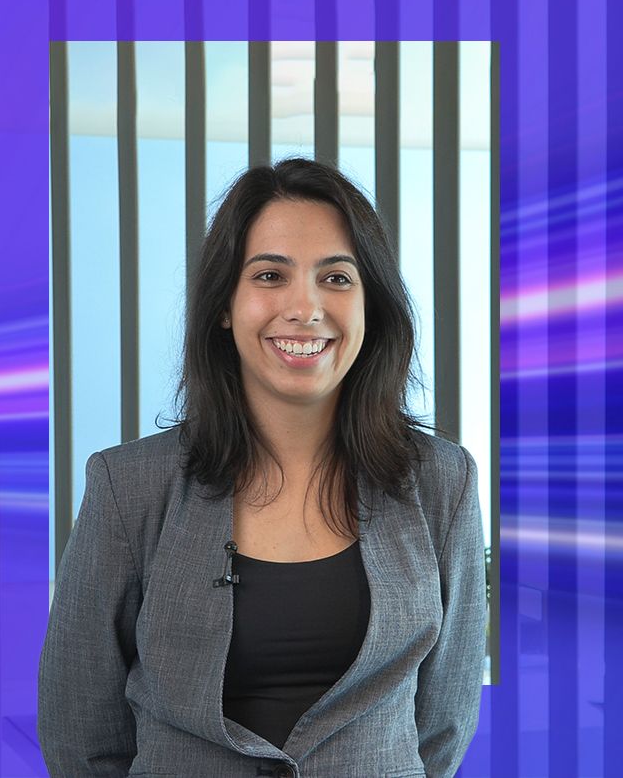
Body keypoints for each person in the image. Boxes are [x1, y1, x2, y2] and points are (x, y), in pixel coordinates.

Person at [38, 158, 486, 777]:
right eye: (270, 275)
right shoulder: (128, 487)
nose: (305, 307)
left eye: (336, 278)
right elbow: (80, 726)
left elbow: (443, 723)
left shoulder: (442, 482)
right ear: (225, 305)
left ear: (371, 305)